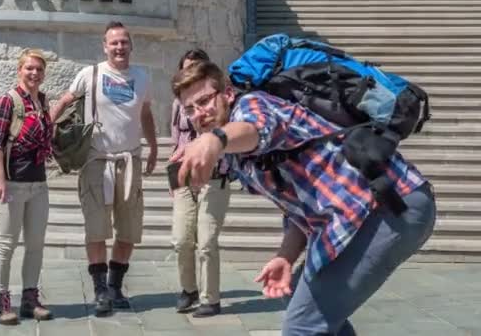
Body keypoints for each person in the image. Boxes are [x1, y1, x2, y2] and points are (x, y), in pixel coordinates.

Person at [171, 61, 436, 335]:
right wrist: (285, 256)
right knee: (303, 300)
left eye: (204, 101)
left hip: (390, 205)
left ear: (227, 93)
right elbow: (297, 206)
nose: (199, 113)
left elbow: (255, 128)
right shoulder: (239, 158)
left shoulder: (252, 104)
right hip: (368, 212)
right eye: (189, 109)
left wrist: (215, 139)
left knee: (303, 326)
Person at [50, 21, 158, 316]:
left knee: (129, 229)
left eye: (124, 42)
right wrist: (45, 130)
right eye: (114, 43)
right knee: (96, 229)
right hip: (96, 161)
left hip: (130, 161)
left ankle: (114, 286)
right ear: (105, 46)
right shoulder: (90, 74)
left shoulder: (142, 77)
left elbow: (146, 114)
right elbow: (64, 101)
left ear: (130, 45)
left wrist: (154, 147)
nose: (119, 47)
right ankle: (99, 290)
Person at [0, 49, 53, 324]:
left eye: (38, 69)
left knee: (35, 244)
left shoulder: (43, 102)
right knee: (6, 244)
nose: (34, 73)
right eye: (29, 68)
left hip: (38, 184)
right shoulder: (8, 101)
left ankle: (29, 298)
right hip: (12, 184)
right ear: (19, 70)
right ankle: (1, 301)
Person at [168, 49, 230, 317]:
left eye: (195, 68)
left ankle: (210, 298)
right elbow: (175, 138)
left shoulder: (219, 105)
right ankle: (189, 289)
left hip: (215, 176)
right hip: (184, 176)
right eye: (185, 69)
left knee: (206, 241)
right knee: (181, 239)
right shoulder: (178, 105)